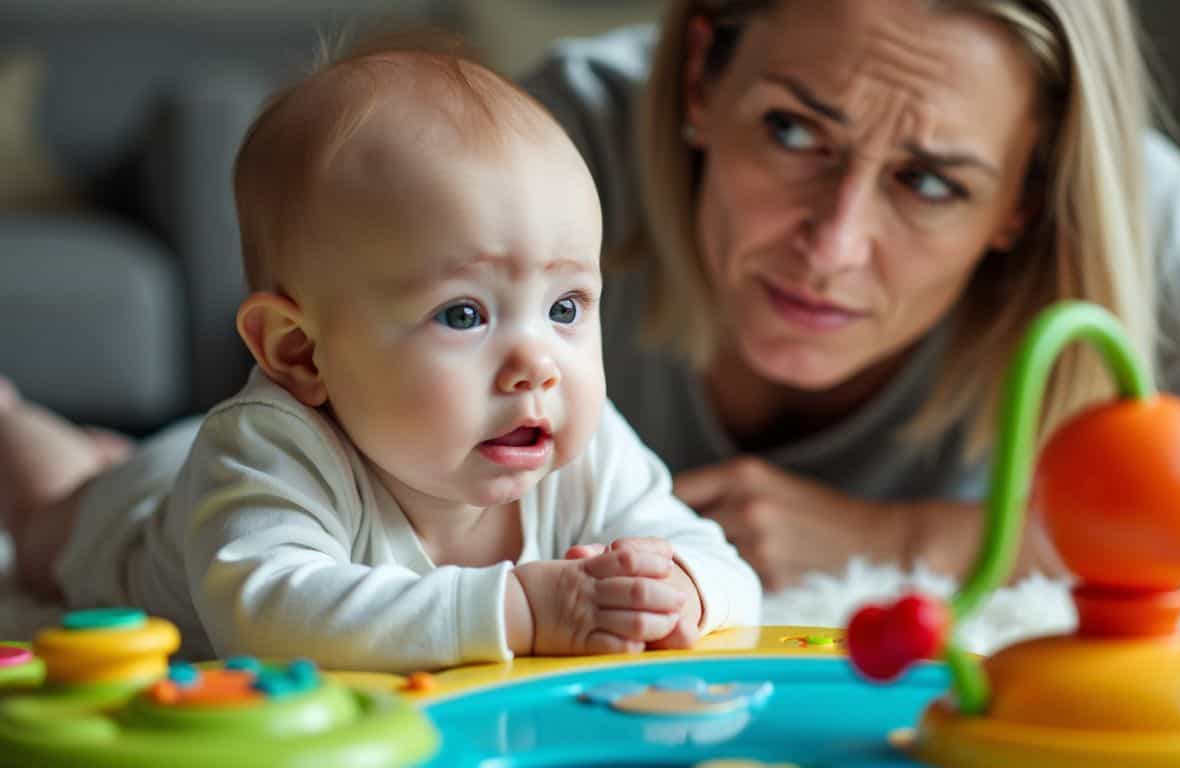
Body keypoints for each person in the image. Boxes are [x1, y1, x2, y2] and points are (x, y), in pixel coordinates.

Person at [520, 0, 1180, 610]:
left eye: (930, 182)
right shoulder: (532, 160)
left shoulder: (1136, 222)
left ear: (1028, 192)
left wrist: (919, 542)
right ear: (702, 77)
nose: (834, 245)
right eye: (795, 132)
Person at [0, 38, 761, 671]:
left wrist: (684, 588)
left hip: (203, 478)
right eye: (464, 314)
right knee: (52, 508)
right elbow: (269, 616)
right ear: (300, 353)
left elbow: (725, 566)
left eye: (565, 308)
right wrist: (521, 608)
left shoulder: (587, 449)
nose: (538, 364)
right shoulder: (271, 448)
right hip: (145, 513)